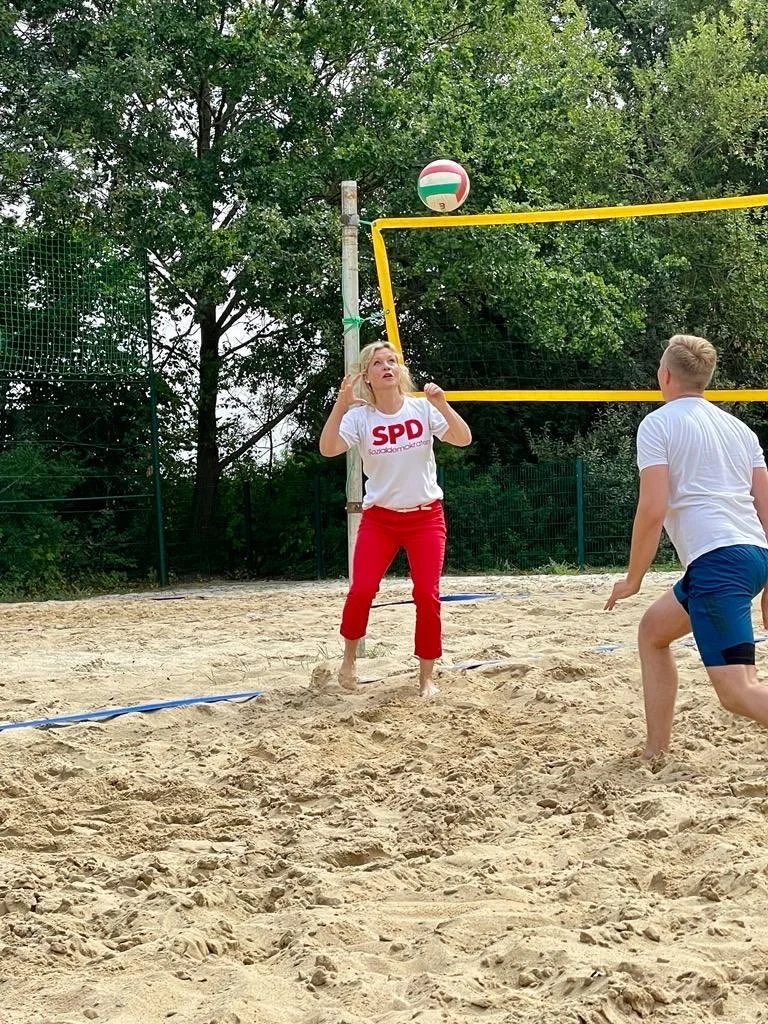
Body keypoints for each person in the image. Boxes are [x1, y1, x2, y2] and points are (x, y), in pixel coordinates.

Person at [605, 333, 768, 758]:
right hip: (752, 557)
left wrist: (633, 579)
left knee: (739, 691)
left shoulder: (658, 424)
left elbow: (652, 509)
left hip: (719, 563)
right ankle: (655, 750)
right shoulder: (741, 430)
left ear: (664, 376)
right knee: (653, 632)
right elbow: (766, 510)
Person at [319, 340, 472, 697]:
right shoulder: (360, 417)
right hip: (380, 519)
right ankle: (349, 661)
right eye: (378, 363)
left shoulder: (421, 408)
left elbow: (463, 439)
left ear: (400, 370)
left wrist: (443, 405)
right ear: (367, 376)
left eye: (392, 361)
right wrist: (340, 405)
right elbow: (328, 449)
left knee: (427, 594)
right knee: (361, 589)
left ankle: (426, 677)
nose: (387, 367)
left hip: (425, 517)